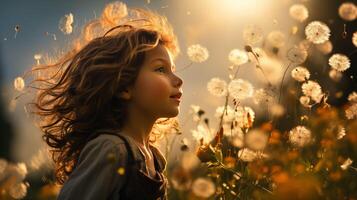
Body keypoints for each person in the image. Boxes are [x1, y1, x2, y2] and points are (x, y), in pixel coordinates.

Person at [27, 5, 183, 200]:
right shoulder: (111, 149)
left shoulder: (154, 158)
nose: (178, 79)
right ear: (124, 87)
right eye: (160, 69)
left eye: (173, 69)